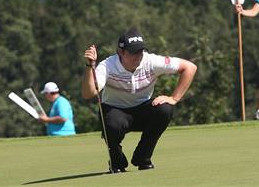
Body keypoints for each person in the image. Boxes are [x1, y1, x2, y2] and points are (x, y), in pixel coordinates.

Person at [81, 28, 197, 173]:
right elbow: (88, 93)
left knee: (165, 109)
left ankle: (143, 158)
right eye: (133, 52)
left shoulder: (151, 61)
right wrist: (90, 67)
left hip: (142, 109)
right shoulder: (107, 66)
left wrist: (174, 98)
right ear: (121, 52)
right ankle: (117, 161)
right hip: (115, 111)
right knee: (111, 124)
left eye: (140, 51)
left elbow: (190, 67)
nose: (138, 56)